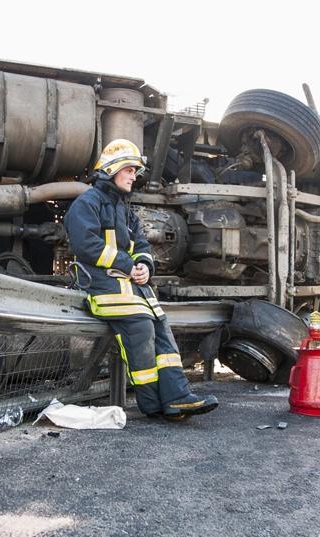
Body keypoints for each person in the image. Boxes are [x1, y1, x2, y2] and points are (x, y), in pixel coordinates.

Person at [64, 139, 218, 420]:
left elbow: (143, 246)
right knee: (141, 328)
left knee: (161, 327)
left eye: (135, 171)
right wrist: (127, 264)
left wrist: (145, 266)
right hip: (101, 287)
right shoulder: (86, 204)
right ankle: (152, 403)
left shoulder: (125, 210)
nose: (134, 176)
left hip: (130, 289)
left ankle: (176, 398)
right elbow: (85, 245)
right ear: (112, 170)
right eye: (129, 170)